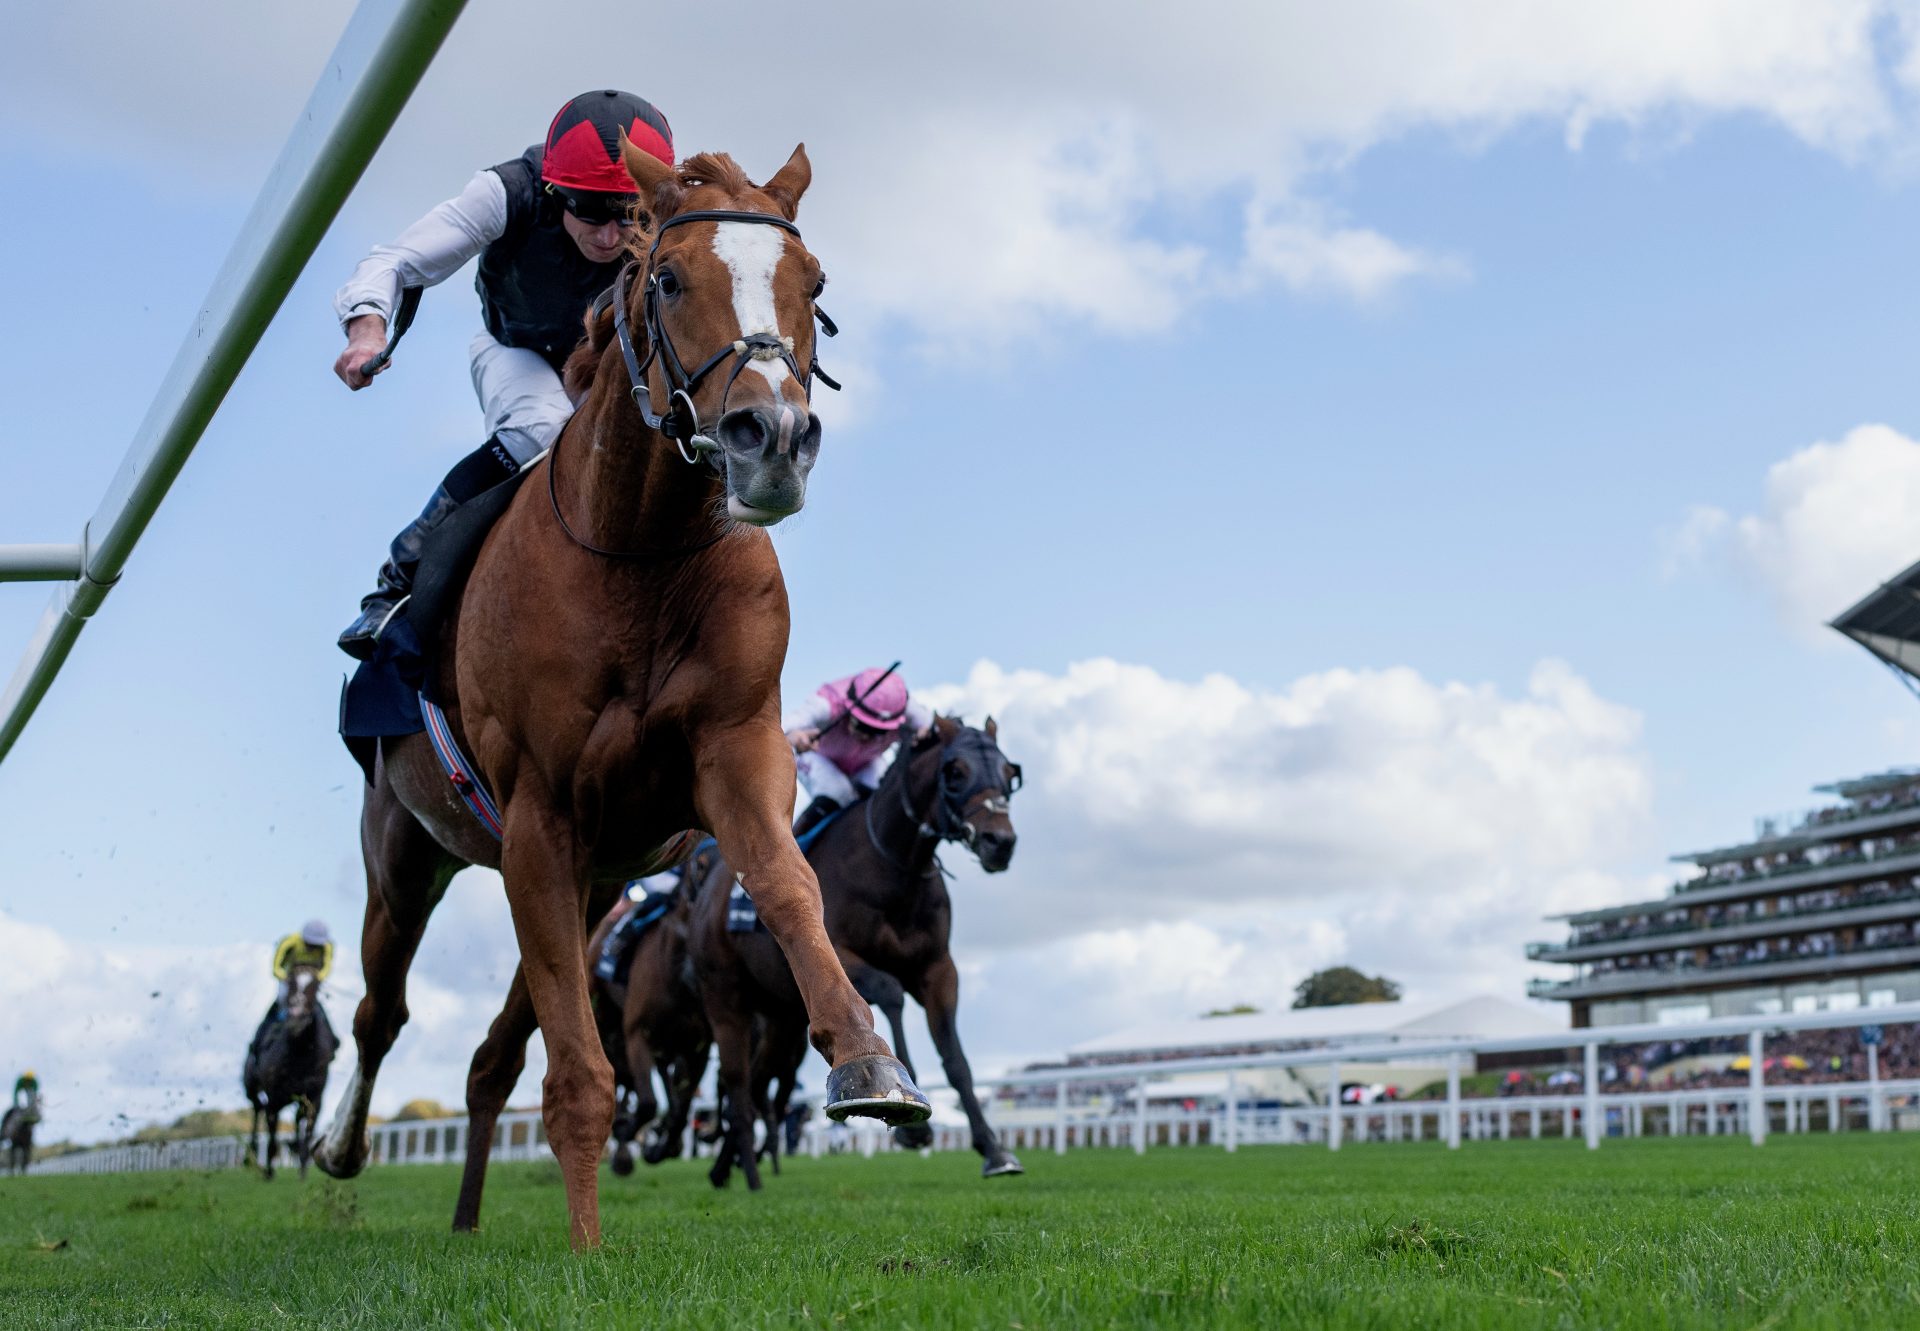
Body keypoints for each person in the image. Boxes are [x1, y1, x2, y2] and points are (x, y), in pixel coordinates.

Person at [332, 89, 676, 658]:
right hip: (517, 350)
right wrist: (367, 329)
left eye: (627, 214)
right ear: (554, 190)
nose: (610, 237)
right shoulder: (506, 191)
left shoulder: (673, 212)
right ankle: (398, 582)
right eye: (589, 212)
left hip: (615, 372)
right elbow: (393, 261)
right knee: (544, 433)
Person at [782, 666, 934, 836]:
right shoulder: (825, 704)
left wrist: (925, 734)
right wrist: (794, 736)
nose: (866, 737)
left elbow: (933, 727)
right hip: (817, 755)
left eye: (878, 731)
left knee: (884, 796)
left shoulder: (908, 710)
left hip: (866, 762)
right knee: (838, 791)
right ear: (849, 708)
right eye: (862, 725)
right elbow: (780, 731)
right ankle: (794, 842)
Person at [248, 921, 336, 1063]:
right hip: (289, 981)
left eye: (316, 946)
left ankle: (333, 1041)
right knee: (279, 1004)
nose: (313, 948)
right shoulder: (290, 942)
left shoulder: (327, 946)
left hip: (310, 981)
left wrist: (316, 978)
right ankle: (258, 1042)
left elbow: (326, 967)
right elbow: (276, 967)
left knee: (317, 1007)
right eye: (310, 944)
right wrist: (286, 977)